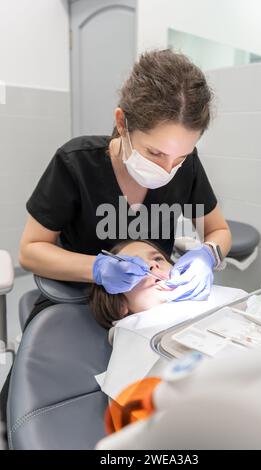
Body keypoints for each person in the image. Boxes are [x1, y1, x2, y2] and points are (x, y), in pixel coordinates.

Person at [1, 48, 232, 426]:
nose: (168, 169)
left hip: (154, 313)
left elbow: (218, 230)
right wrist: (97, 268)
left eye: (181, 157)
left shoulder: (185, 167)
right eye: (155, 152)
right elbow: (31, 251)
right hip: (83, 303)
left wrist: (209, 254)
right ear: (122, 123)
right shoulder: (76, 163)